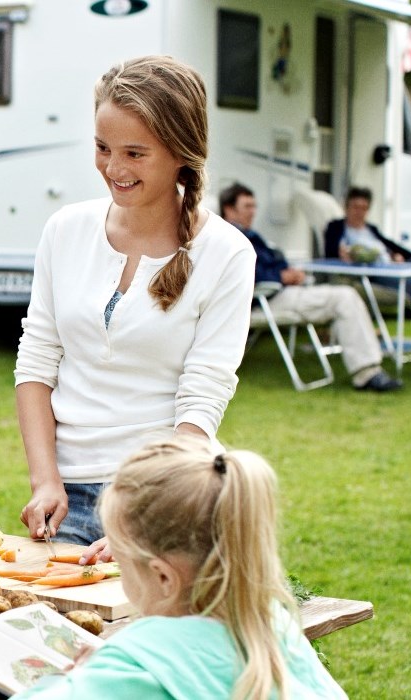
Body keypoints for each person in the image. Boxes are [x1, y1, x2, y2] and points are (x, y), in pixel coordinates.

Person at [15, 56, 256, 555]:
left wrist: (143, 517)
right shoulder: (65, 230)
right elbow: (36, 362)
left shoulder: (228, 253)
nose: (114, 169)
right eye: (102, 148)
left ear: (181, 154)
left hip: (167, 497)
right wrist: (45, 482)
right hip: (68, 498)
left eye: (135, 153)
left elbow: (202, 397)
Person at [10, 436, 347, 699]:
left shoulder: (137, 664)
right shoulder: (272, 624)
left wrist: (73, 677)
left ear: (162, 577)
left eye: (122, 565)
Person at [220, 183, 402, 391]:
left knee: (344, 296)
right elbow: (240, 275)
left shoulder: (247, 234)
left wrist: (290, 272)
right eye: (247, 206)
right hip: (265, 299)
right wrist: (281, 276)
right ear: (229, 209)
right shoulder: (229, 239)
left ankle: (369, 369)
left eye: (254, 206)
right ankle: (367, 374)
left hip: (280, 292)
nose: (253, 211)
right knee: (345, 297)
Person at [322, 186, 411, 362]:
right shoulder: (337, 228)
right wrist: (343, 255)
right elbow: (329, 254)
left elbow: (393, 246)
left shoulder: (371, 229)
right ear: (346, 207)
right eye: (355, 207)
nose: (359, 212)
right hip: (374, 273)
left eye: (364, 208)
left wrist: (398, 257)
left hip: (393, 267)